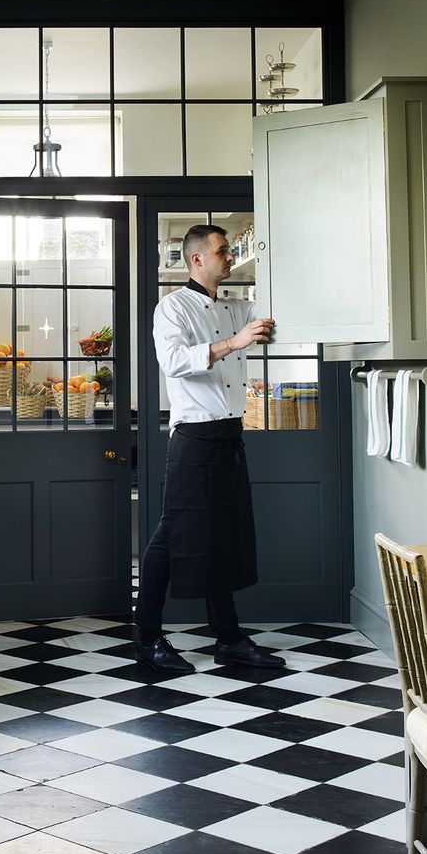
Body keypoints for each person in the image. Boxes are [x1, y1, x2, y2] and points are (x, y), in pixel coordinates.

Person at [134, 224, 276, 672]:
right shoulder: (171, 309)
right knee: (170, 537)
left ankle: (228, 637)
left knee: (223, 536)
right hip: (194, 438)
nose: (230, 257)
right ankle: (148, 637)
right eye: (223, 251)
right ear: (197, 259)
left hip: (230, 435)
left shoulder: (236, 308)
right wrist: (235, 342)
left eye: (231, 250)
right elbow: (175, 363)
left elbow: (280, 307)